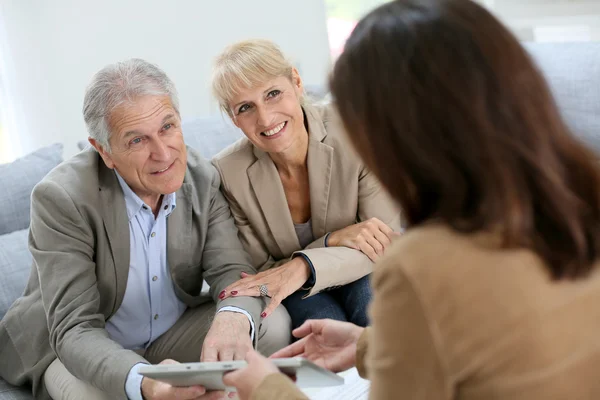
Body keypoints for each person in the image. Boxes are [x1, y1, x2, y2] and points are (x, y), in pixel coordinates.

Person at [222, 0, 600, 399]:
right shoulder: (579, 200)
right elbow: (498, 349)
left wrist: (265, 387)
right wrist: (371, 344)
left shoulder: (423, 267)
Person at [0, 59, 291, 400]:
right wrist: (146, 383)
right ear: (104, 151)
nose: (163, 153)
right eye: (137, 140)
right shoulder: (62, 198)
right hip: (82, 347)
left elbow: (229, 269)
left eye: (167, 127)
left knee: (270, 323)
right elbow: (75, 329)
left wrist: (232, 316)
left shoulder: (202, 177)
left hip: (171, 331)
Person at [210, 39, 402, 330]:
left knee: (376, 307)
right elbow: (261, 270)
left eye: (273, 94)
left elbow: (382, 242)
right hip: (296, 290)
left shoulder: (357, 130)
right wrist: (332, 240)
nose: (265, 118)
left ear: (296, 82)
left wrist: (302, 265)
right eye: (245, 107)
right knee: (322, 326)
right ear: (233, 118)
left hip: (365, 269)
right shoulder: (229, 173)